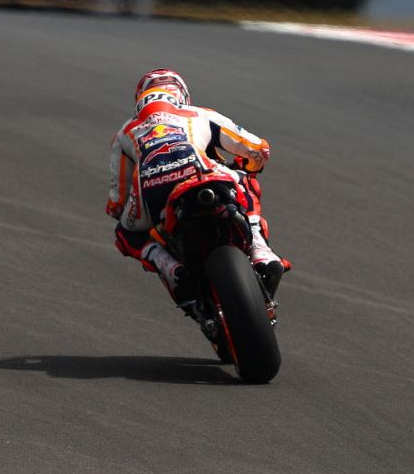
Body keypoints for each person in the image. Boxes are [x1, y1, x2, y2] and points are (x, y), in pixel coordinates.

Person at [106, 68, 288, 306]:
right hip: (201, 173)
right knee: (246, 180)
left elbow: (117, 203)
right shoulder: (199, 114)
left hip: (152, 193)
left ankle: (169, 266)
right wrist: (250, 165)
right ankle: (260, 250)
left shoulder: (125, 132)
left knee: (125, 233)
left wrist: (125, 207)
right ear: (182, 95)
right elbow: (258, 148)